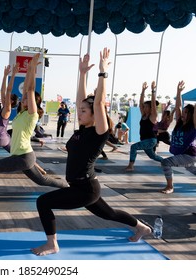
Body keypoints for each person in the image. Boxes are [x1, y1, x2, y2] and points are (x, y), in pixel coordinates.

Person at [31, 48, 153, 256]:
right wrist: (82, 74)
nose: (80, 112)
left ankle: (52, 244)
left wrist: (102, 72)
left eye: (84, 111)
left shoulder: (99, 132)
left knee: (43, 202)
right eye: (79, 110)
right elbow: (83, 100)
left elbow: (97, 101)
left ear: (96, 115)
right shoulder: (82, 130)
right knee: (109, 214)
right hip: (83, 187)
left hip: (85, 188)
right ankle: (140, 227)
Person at [0, 54, 68, 208]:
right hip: (24, 155)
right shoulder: (22, 113)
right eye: (23, 98)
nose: (23, 98)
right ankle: (67, 187)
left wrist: (32, 69)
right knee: (42, 181)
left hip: (23, 156)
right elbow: (25, 89)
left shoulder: (33, 114)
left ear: (34, 103)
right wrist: (20, 72)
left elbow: (30, 89)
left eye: (27, 98)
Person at [160, 81, 196, 194]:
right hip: (183, 155)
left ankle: (170, 187)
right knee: (191, 169)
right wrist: (179, 91)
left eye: (186, 112)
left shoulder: (193, 126)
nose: (183, 114)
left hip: (189, 155)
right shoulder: (180, 123)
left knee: (166, 162)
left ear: (191, 115)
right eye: (183, 112)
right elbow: (178, 106)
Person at [125, 81, 163, 171]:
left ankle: (131, 166)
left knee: (133, 147)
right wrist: (143, 90)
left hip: (151, 140)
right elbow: (140, 103)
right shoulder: (144, 115)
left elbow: (153, 105)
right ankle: (166, 162)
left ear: (150, 108)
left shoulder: (153, 116)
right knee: (153, 156)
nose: (144, 108)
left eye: (146, 107)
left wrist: (153, 91)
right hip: (145, 140)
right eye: (144, 107)